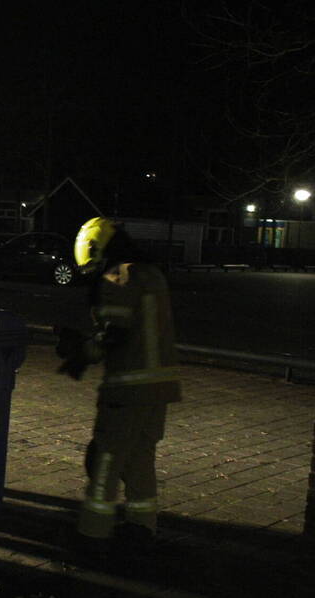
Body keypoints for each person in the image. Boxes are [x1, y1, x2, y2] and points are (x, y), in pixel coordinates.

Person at [55, 216, 181, 552]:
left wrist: (79, 350)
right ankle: (142, 530)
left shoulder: (117, 275)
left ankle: (92, 534)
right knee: (140, 460)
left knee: (105, 461)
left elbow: (114, 334)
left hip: (127, 388)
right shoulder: (150, 273)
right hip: (160, 388)